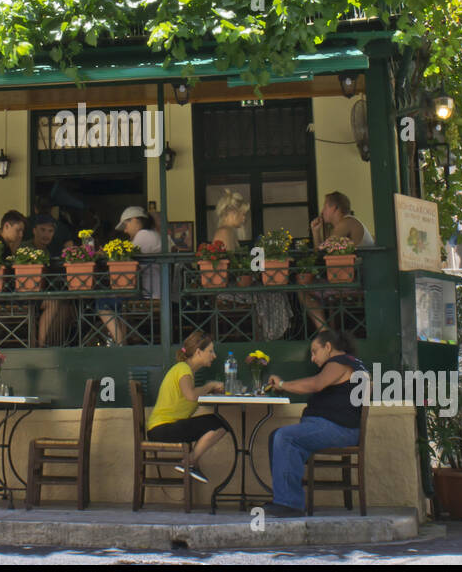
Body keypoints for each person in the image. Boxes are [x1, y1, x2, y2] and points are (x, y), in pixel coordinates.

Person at [263, 329, 367, 517]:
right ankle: (284, 496)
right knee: (276, 437)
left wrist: (282, 385)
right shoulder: (354, 363)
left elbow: (316, 384)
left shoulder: (340, 362)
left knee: (285, 437)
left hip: (338, 428)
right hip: (334, 427)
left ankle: (290, 504)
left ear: (328, 347)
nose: (312, 358)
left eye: (314, 351)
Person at [145, 332, 227, 483]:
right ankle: (190, 462)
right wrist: (209, 385)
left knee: (216, 422)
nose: (214, 356)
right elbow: (190, 395)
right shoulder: (183, 369)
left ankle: (190, 462)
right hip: (162, 428)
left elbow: (189, 395)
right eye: (210, 351)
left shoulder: (186, 371)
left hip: (165, 427)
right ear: (198, 352)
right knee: (218, 425)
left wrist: (208, 390)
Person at [211, 189, 291, 340]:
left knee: (274, 292)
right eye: (243, 214)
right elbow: (229, 267)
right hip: (228, 290)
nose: (244, 218)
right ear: (232, 212)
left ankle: (269, 334)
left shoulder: (228, 231)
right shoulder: (224, 232)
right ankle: (271, 335)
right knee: (274, 294)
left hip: (233, 286)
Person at [304, 192, 374, 330]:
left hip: (359, 281)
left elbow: (321, 254)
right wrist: (316, 232)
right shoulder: (348, 223)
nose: (322, 211)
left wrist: (316, 234)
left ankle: (324, 332)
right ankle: (326, 330)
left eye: (325, 207)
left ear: (335, 208)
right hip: (355, 278)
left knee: (303, 289)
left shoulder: (347, 222)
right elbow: (323, 254)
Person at [97, 206, 163, 346]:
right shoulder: (151, 234)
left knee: (102, 302)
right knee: (115, 303)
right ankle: (122, 342)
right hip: (149, 290)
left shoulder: (144, 234)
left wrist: (105, 254)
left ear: (135, 220)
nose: (125, 230)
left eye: (126, 225)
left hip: (148, 293)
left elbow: (124, 257)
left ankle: (120, 344)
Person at [27, 213, 74, 347]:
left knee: (66, 306)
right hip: (25, 294)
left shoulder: (47, 251)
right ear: (34, 230)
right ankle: (41, 346)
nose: (46, 234)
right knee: (53, 302)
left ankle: (54, 345)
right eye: (42, 230)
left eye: (50, 231)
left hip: (39, 294)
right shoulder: (26, 248)